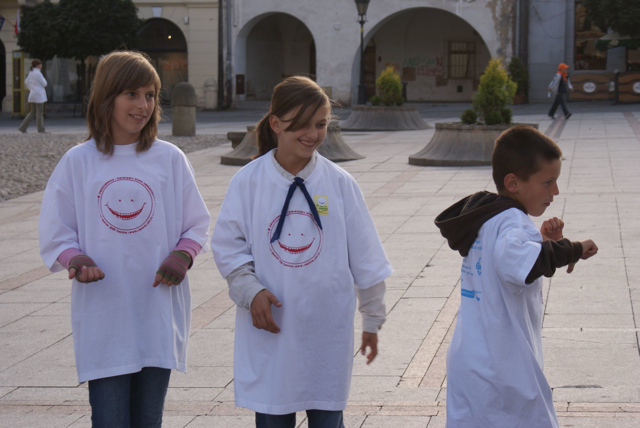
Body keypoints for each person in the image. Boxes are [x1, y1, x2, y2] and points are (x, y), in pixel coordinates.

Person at [38, 51, 211, 428]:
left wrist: (182, 256)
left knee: (148, 420)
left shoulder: (169, 159)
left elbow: (196, 223)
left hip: (156, 313)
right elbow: (55, 229)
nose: (143, 105)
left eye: (150, 95)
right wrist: (76, 259)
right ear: (107, 96)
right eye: (131, 94)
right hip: (105, 317)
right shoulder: (78, 161)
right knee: (110, 418)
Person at [211, 76, 392, 428]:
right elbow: (228, 247)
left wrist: (372, 319)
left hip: (326, 335)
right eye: (302, 124)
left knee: (328, 418)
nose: (312, 133)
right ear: (276, 123)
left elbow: (367, 258)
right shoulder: (248, 182)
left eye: (321, 124)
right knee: (273, 416)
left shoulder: (340, 183)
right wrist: (251, 291)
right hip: (272, 332)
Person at [435, 125, 598, 428]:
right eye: (548, 182)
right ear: (513, 183)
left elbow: (507, 263)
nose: (555, 191)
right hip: (502, 369)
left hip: (473, 360)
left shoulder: (489, 218)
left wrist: (543, 243)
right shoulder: (512, 223)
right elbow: (521, 261)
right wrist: (573, 249)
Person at [19, 58, 48, 133]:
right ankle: (41, 129)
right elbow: (44, 83)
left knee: (32, 112)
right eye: (40, 64)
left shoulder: (31, 72)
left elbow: (26, 82)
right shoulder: (38, 73)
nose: (41, 65)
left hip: (33, 94)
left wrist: (31, 88)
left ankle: (23, 127)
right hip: (39, 95)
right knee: (39, 113)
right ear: (38, 65)